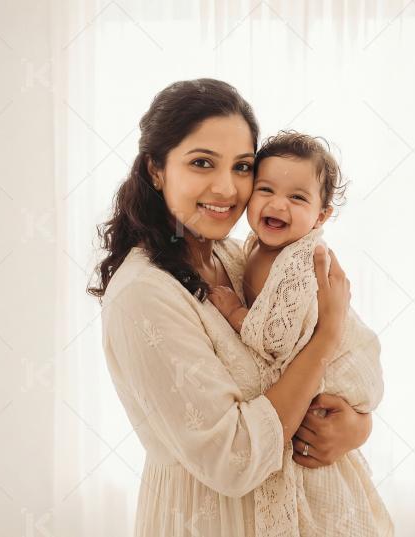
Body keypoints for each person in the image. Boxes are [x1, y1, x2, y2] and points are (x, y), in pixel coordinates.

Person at [88, 78, 370, 536]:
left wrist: (357, 426)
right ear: (156, 169)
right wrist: (327, 335)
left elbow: (338, 370)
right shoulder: (144, 294)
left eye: (242, 167)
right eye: (202, 163)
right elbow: (235, 458)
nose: (226, 188)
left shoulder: (237, 256)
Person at [208, 131, 394, 536]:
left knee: (327, 497)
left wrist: (236, 313)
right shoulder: (254, 245)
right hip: (294, 405)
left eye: (297, 198)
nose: (278, 204)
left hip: (336, 376)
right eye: (266, 189)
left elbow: (277, 339)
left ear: (321, 216)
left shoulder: (300, 262)